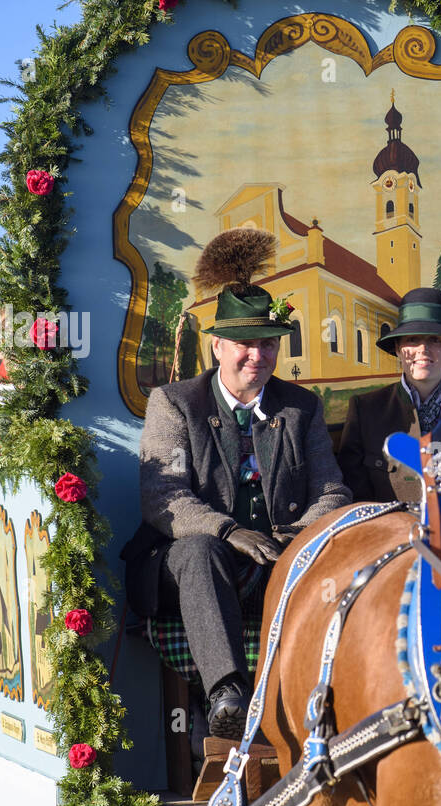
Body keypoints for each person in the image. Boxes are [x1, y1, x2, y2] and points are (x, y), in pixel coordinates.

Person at [121, 228, 351, 738]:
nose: (257, 356)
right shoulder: (176, 403)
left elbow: (332, 491)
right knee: (199, 550)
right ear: (218, 345)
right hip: (193, 568)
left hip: (280, 562)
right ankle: (226, 693)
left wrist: (297, 538)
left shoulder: (300, 407)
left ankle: (326, 711)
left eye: (267, 344)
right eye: (244, 344)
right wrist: (227, 532)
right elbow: (164, 496)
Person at [337, 287, 441, 502]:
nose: (423, 349)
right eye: (412, 339)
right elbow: (354, 493)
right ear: (398, 348)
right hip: (389, 532)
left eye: (435, 340)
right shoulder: (366, 411)